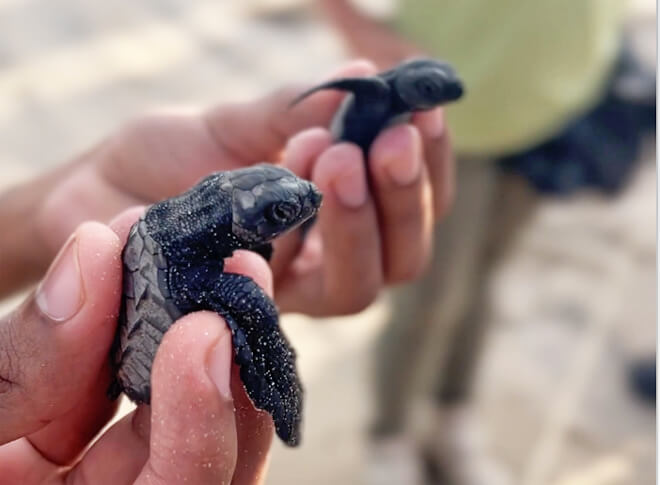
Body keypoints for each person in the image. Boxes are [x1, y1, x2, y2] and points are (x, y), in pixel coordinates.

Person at [0, 60, 456, 484]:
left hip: (129, 334)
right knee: (252, 309)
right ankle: (283, 401)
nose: (306, 200)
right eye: (281, 213)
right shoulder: (205, 274)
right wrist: (283, 400)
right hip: (143, 372)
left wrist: (49, 215)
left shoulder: (173, 216)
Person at [318, 1, 643, 484]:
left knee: (486, 275)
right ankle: (390, 440)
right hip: (447, 114)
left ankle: (453, 417)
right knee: (429, 293)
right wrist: (355, 25)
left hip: (561, 106)